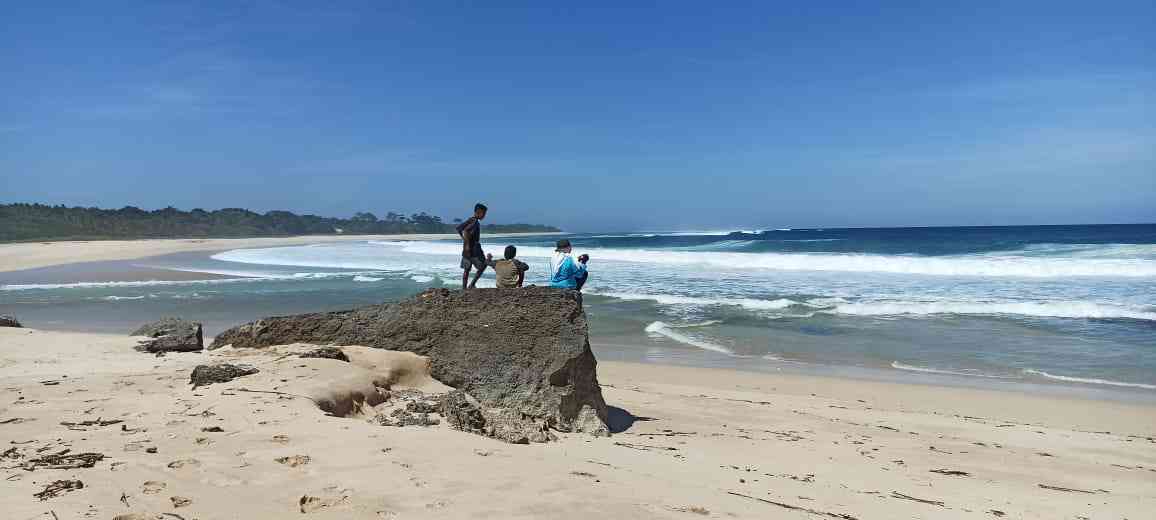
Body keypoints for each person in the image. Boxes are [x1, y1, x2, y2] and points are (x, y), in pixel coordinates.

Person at [456, 203, 487, 289]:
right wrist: (468, 244)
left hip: (466, 250)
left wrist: (465, 242)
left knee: (466, 269)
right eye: (484, 214)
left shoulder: (470, 219)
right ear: (479, 212)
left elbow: (459, 228)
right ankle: (472, 284)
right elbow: (466, 231)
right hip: (474, 249)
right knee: (483, 265)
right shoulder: (475, 222)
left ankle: (464, 288)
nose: (484, 216)